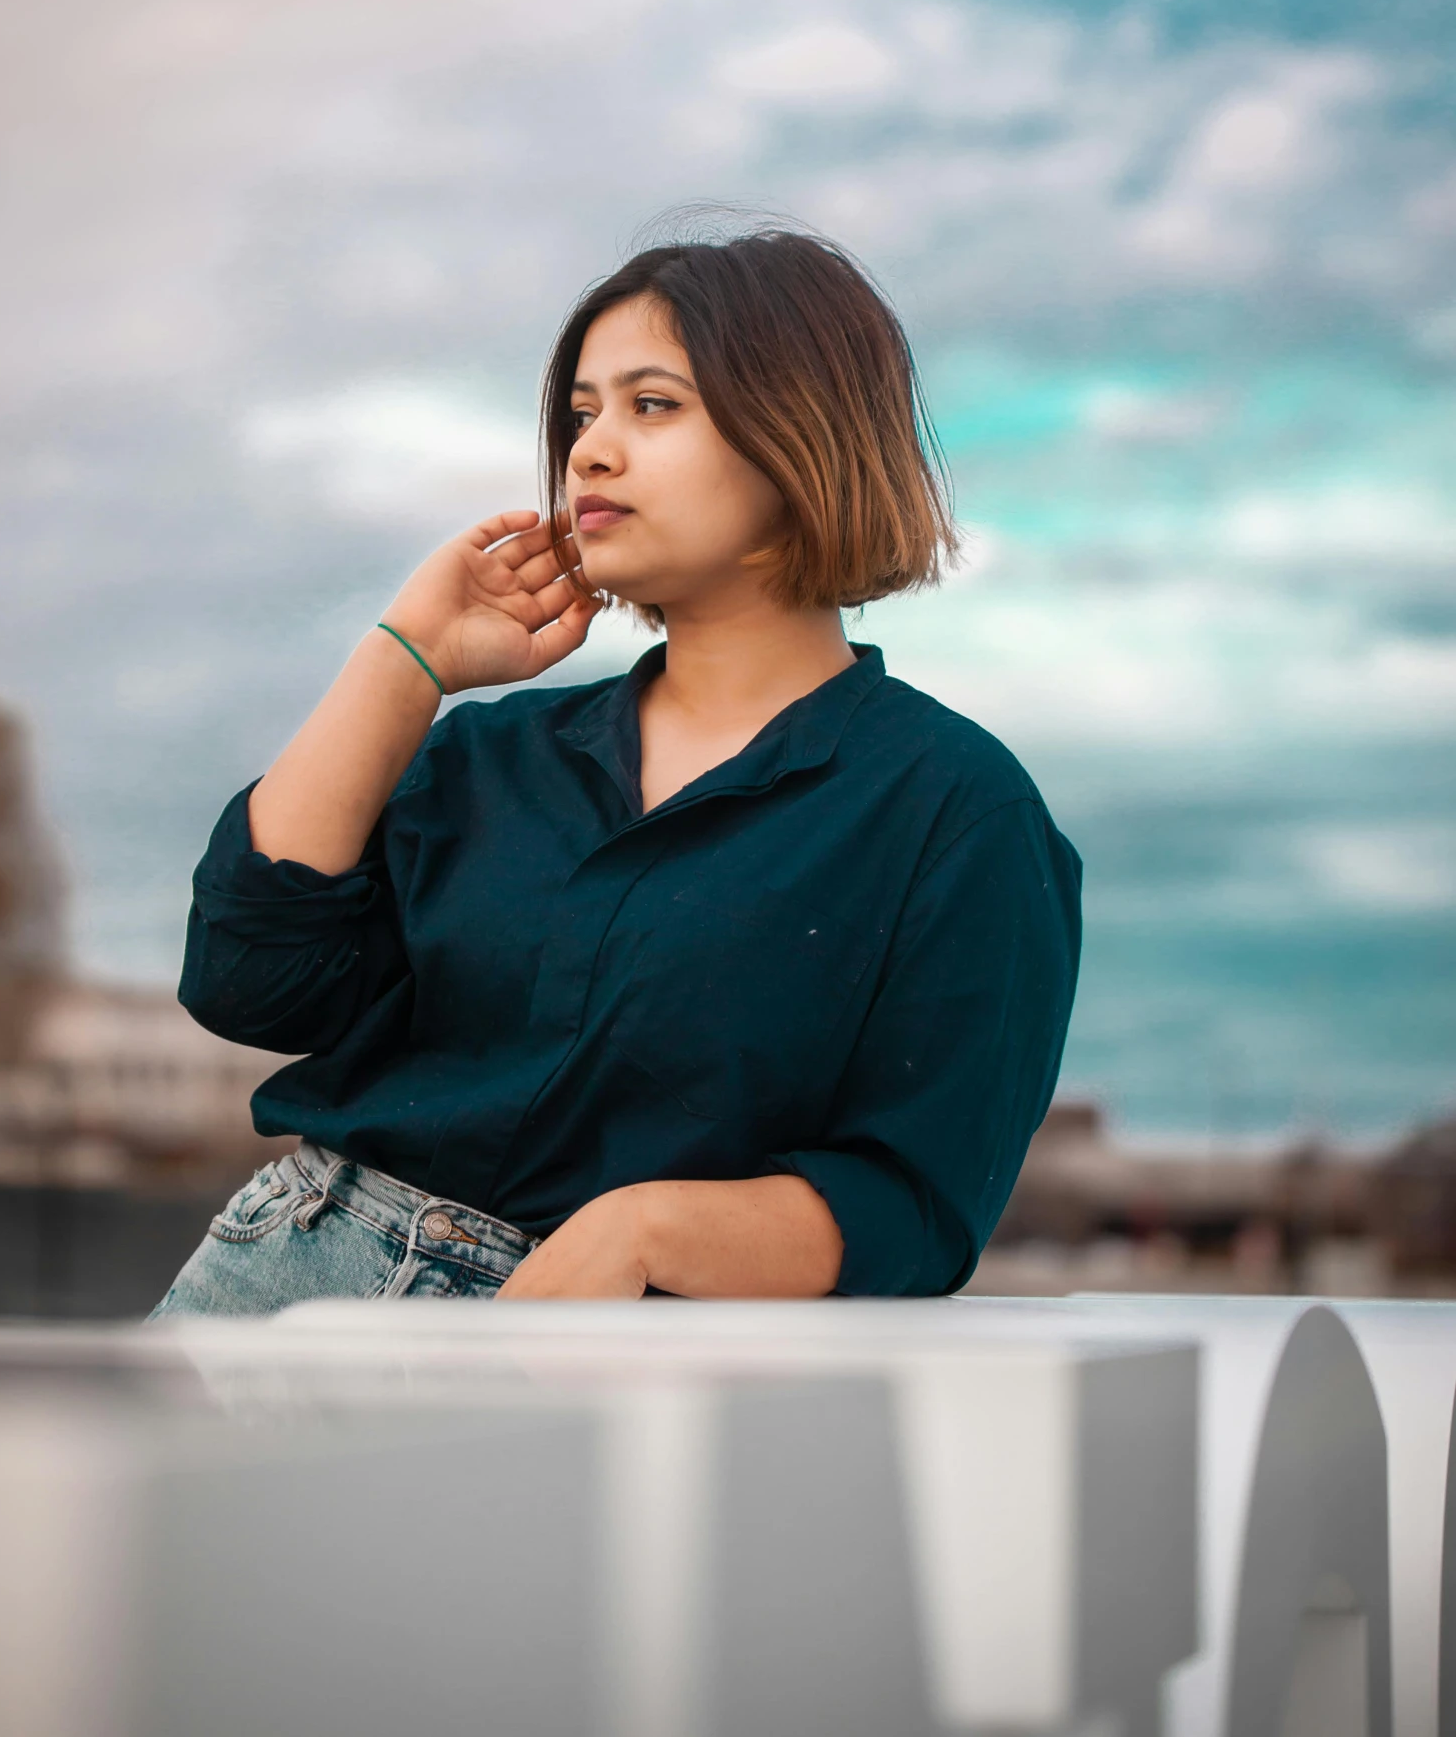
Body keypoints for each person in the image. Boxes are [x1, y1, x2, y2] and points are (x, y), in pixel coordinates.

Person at [149, 228, 1081, 1316]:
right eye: (581, 414)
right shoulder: (490, 756)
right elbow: (247, 979)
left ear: (801, 433)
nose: (588, 451)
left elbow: (917, 1202)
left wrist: (646, 1229)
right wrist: (405, 660)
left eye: (651, 404)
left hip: (597, 1357)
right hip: (287, 1283)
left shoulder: (957, 812)